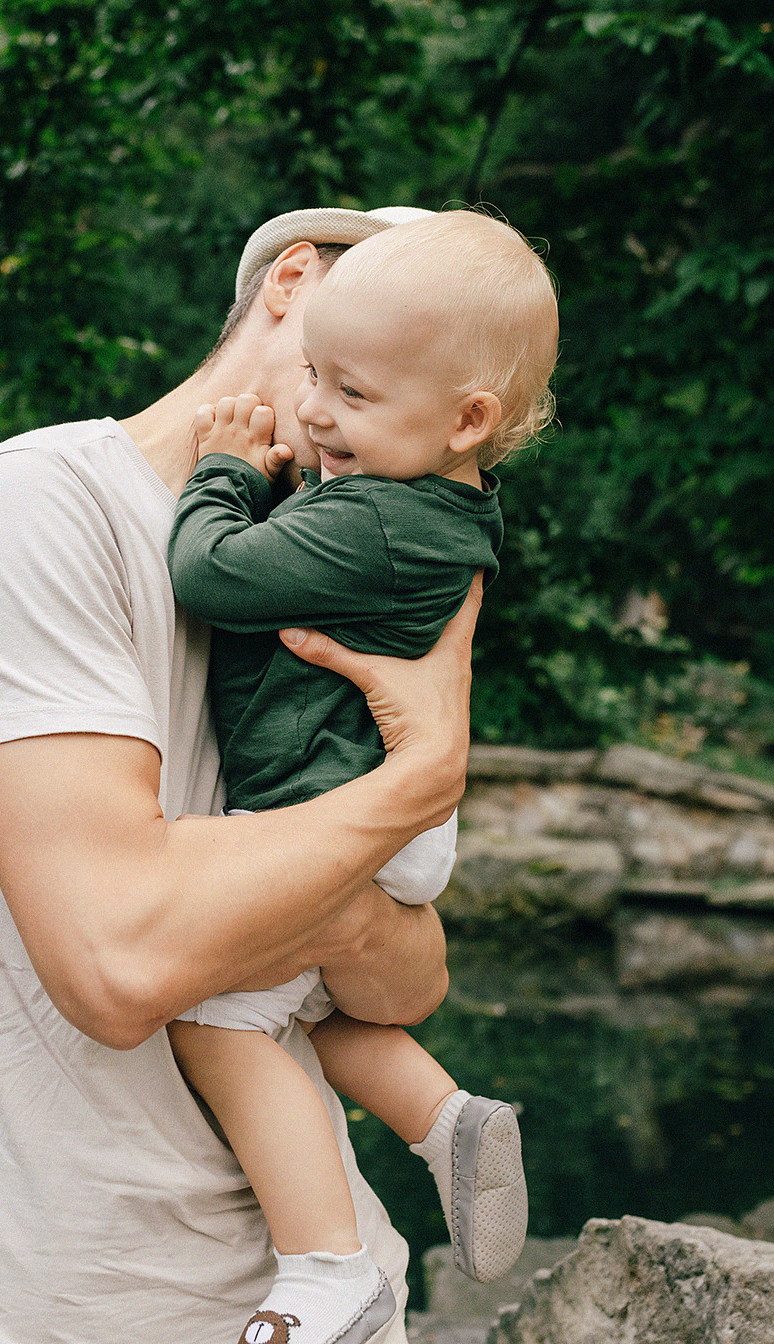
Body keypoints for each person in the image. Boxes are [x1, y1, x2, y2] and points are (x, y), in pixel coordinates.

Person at [0, 204, 484, 1344]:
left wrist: (329, 893)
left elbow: (405, 986)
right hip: (48, 1312)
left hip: (324, 1304)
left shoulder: (333, 575)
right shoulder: (40, 509)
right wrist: (412, 784)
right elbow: (118, 961)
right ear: (295, 283)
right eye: (365, 363)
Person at [165, 209, 559, 1344]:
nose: (318, 413)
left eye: (352, 394)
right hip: (371, 802)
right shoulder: (426, 501)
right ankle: (443, 1121)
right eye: (314, 379)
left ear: (464, 420)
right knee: (305, 1011)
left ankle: (328, 1269)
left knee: (216, 1019)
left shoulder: (377, 525)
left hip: (327, 805)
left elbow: (209, 574)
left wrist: (227, 472)